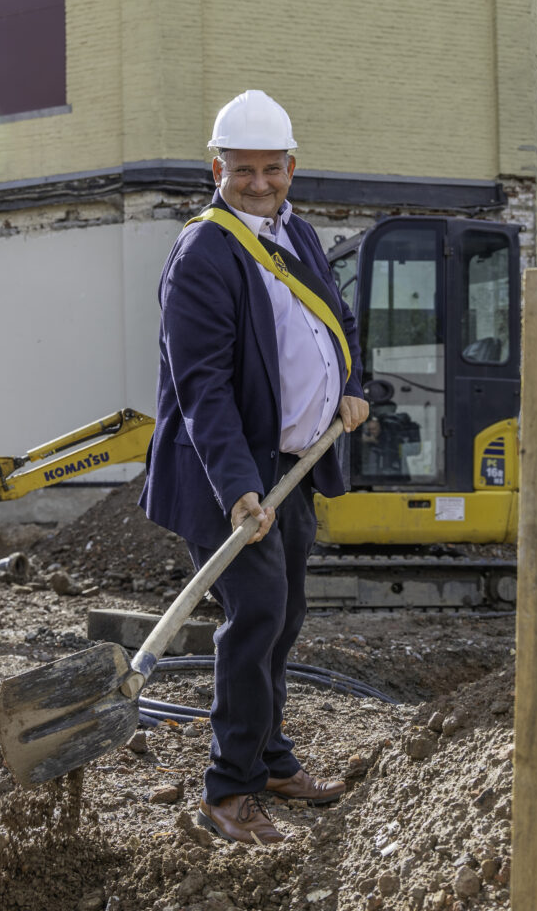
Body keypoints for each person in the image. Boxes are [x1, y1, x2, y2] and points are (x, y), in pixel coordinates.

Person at [139, 90, 369, 845]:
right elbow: (201, 386)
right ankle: (228, 791)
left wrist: (351, 387)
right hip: (226, 476)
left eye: (273, 168)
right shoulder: (204, 251)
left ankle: (270, 759)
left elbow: (339, 317)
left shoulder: (296, 233)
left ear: (292, 168)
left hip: (293, 468)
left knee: (285, 614)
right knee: (256, 617)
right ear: (218, 168)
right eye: (246, 170)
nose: (261, 181)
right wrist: (239, 489)